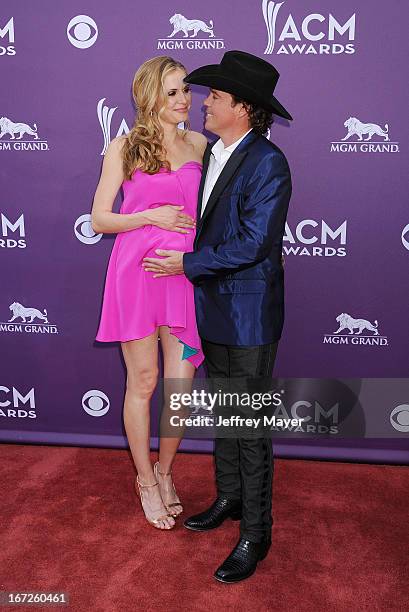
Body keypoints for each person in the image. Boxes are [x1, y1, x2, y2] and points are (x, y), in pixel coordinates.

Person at [142, 50, 293, 580]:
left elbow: (255, 243)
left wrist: (186, 264)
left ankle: (257, 531)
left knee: (249, 426)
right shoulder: (213, 155)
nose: (204, 104)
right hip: (214, 309)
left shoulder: (269, 162)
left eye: (217, 97)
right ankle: (230, 499)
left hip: (249, 314)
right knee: (227, 417)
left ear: (245, 108)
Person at [91, 56, 207, 530]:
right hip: (136, 276)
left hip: (183, 276)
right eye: (175, 92)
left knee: (180, 390)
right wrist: (149, 216)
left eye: (187, 91)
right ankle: (144, 480)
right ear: (150, 97)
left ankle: (165, 472)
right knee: (143, 384)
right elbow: (100, 218)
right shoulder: (123, 146)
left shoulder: (201, 143)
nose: (185, 100)